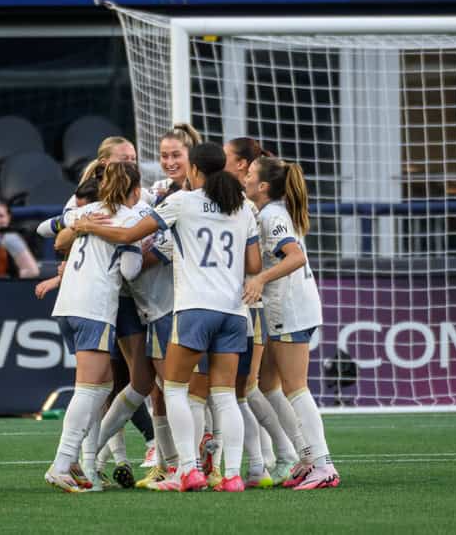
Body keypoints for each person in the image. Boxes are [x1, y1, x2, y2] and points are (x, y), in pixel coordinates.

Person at [72, 142, 262, 492]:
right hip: (235, 313)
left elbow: (130, 235)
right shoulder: (242, 207)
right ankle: (233, 475)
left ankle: (186, 471)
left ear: (194, 170)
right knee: (224, 396)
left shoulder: (181, 202)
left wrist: (92, 227)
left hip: (194, 308)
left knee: (173, 389)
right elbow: (254, 266)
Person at [43, 162, 144, 493]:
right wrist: (136, 250)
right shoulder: (129, 218)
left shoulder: (86, 211)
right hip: (94, 306)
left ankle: (79, 462)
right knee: (88, 388)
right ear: (134, 191)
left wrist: (76, 225)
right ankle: (63, 463)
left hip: (67, 305)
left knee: (103, 385)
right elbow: (130, 271)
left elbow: (45, 229)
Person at [242, 155, 340, 490]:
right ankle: (305, 456)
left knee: (296, 387)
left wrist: (259, 280)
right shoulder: (269, 212)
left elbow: (296, 256)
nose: (245, 177)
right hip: (284, 308)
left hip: (291, 309)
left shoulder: (271, 215)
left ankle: (323, 464)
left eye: (251, 174)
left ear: (264, 186)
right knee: (266, 384)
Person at [224, 137, 299, 487]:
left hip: (253, 304)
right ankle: (278, 457)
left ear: (243, 166)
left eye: (229, 157)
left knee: (248, 387)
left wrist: (257, 278)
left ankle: (288, 455)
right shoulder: (244, 201)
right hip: (248, 302)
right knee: (257, 386)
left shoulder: (256, 209)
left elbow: (288, 256)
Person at [0, 197, 39, 279]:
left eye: (1, 216)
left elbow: (32, 271)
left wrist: (8, 278)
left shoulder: (10, 238)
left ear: (8, 217)